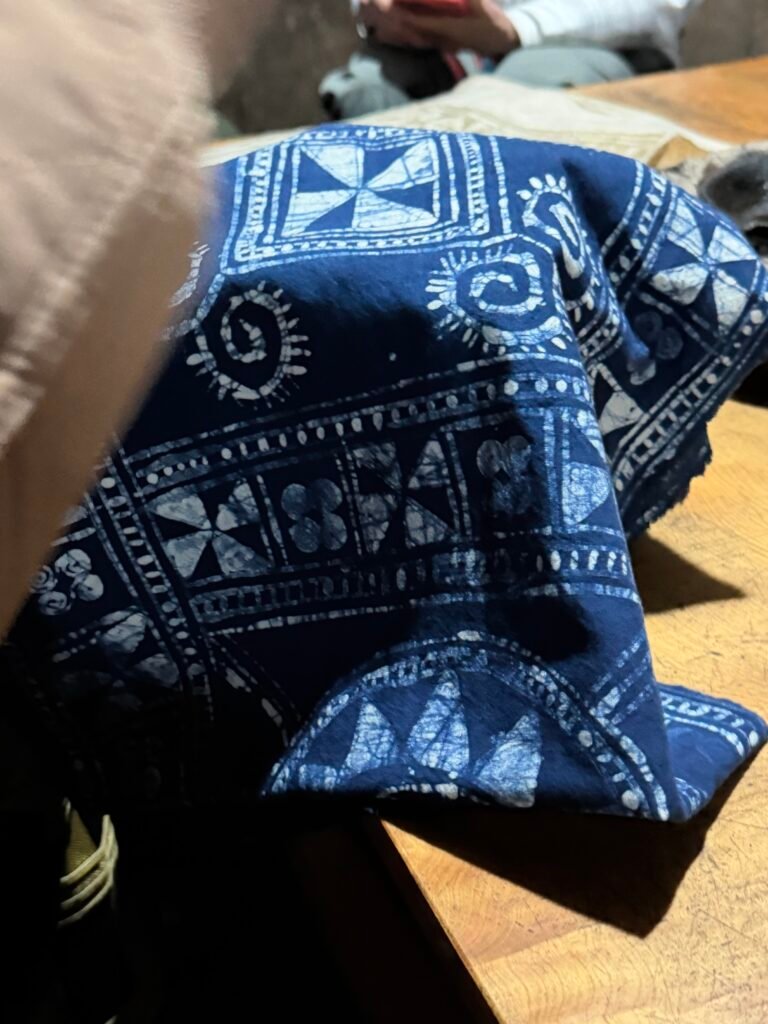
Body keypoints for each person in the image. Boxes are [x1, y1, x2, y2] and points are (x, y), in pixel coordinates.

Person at [320, 0, 701, 119]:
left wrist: (516, 29)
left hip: (599, 46)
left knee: (509, 103)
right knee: (363, 91)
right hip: (451, 48)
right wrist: (381, 12)